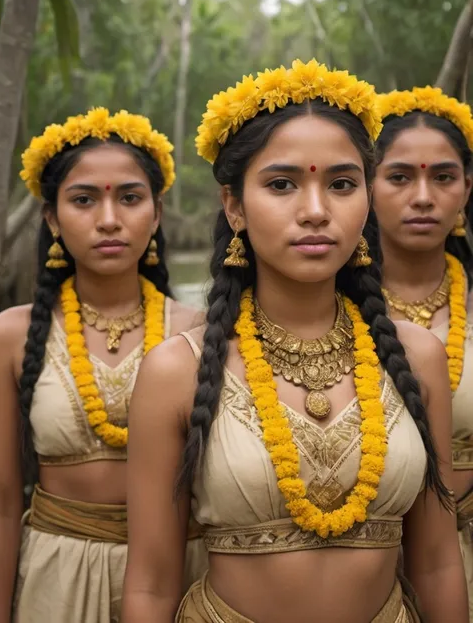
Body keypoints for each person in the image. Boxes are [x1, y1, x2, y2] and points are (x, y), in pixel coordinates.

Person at [122, 61, 467, 622]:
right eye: (282, 184)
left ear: (366, 199)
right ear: (233, 206)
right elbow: (151, 585)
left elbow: (435, 564)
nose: (315, 211)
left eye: (341, 184)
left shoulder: (415, 357)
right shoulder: (173, 372)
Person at [0, 108, 205, 623]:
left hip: (184, 573)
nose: (108, 219)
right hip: (58, 573)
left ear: (157, 212)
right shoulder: (8, 338)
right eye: (84, 200)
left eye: (129, 197)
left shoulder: (203, 331)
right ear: (52, 218)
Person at [367, 86, 473, 618]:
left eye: (443, 177)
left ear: (468, 189)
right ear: (364, 185)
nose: (424, 196)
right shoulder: (332, 315)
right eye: (400, 176)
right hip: (364, 564)